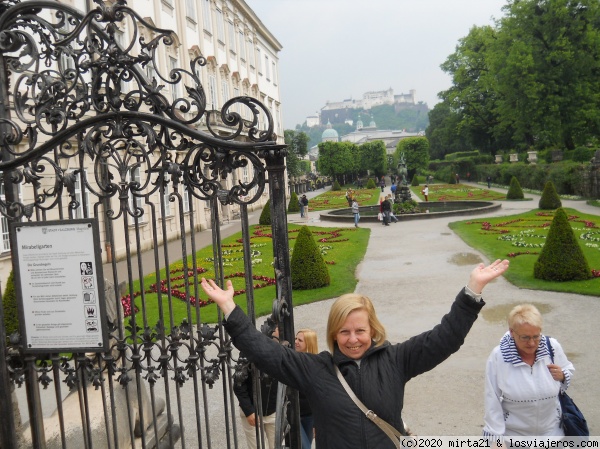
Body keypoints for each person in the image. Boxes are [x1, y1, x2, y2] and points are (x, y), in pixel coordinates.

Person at [201, 260, 510, 449]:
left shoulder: (397, 359)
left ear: (373, 329)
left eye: (360, 331)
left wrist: (472, 292)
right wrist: (229, 308)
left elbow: (445, 339)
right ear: (334, 333)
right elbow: (266, 352)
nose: (352, 340)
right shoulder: (315, 369)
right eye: (344, 332)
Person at [483, 304, 574, 438]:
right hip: (514, 438)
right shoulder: (499, 357)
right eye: (525, 337)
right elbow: (492, 398)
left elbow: (567, 369)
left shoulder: (552, 347)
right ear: (512, 332)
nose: (531, 343)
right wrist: (495, 438)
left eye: (536, 336)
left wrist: (563, 376)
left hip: (553, 435)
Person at [234, 328, 281, 449]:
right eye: (277, 328)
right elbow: (238, 384)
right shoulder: (249, 351)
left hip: (274, 411)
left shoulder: (283, 349)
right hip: (252, 412)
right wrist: (249, 411)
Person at [295, 329, 319, 449]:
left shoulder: (315, 365)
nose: (296, 342)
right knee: (305, 447)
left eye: (300, 340)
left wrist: (316, 422)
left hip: (310, 416)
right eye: (296, 338)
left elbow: (319, 396)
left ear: (308, 343)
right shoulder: (292, 360)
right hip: (294, 413)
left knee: (306, 445)